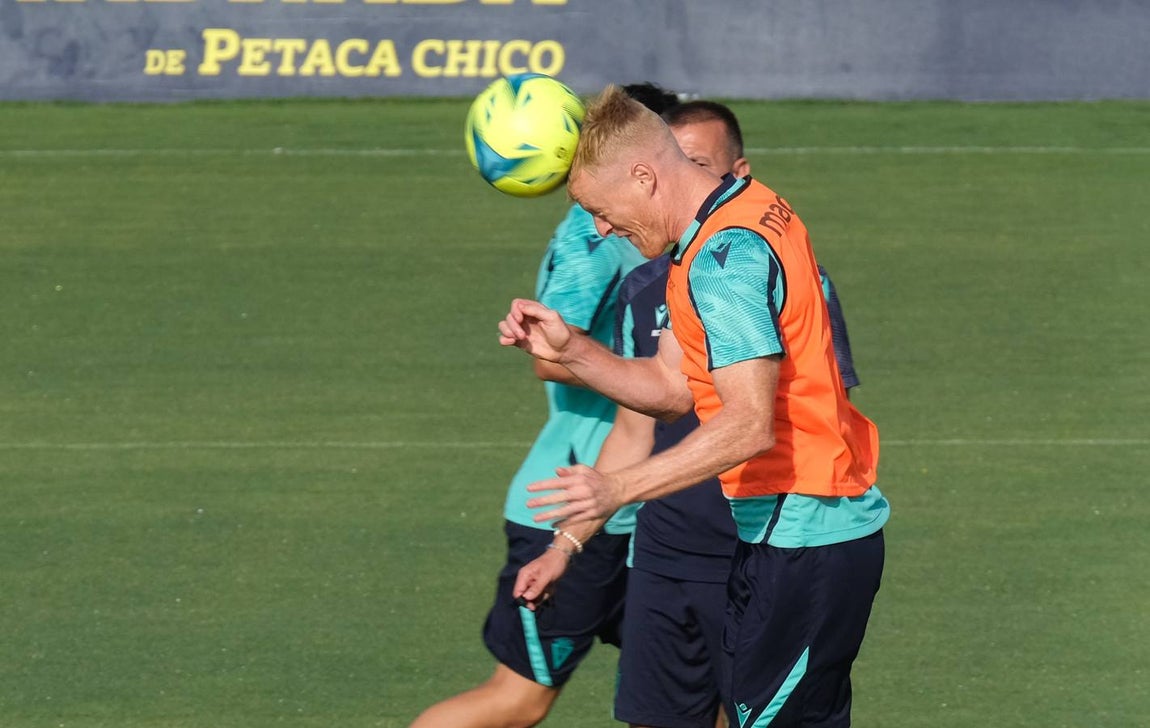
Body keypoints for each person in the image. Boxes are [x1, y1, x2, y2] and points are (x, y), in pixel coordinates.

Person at [500, 86, 889, 728]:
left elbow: (748, 425)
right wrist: (573, 351)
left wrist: (617, 488)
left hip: (803, 534)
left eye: (598, 209)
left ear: (644, 176)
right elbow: (673, 390)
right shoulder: (731, 221)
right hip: (779, 535)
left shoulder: (723, 259)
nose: (601, 228)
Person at [410, 83, 680, 728]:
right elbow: (548, 354)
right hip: (577, 500)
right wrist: (668, 379)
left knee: (706, 696)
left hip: (657, 502)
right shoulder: (598, 234)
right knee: (518, 700)